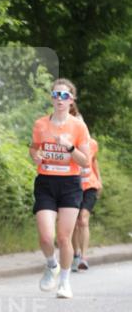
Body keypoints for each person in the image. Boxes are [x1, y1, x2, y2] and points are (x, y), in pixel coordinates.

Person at [29, 79, 90, 299]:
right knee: (46, 237)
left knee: (64, 238)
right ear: (51, 98)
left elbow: (85, 161)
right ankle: (51, 264)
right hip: (46, 183)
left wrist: (69, 147)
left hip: (70, 185)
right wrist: (37, 156)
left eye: (65, 96)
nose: (60, 99)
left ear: (71, 100)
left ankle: (64, 282)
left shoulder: (78, 126)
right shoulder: (41, 125)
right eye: (56, 95)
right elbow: (34, 149)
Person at [71, 111, 102, 271]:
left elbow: (94, 161)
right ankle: (75, 255)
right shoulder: (69, 144)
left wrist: (100, 180)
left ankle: (84, 257)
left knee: (83, 219)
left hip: (90, 185)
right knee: (74, 224)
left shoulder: (92, 143)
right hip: (73, 186)